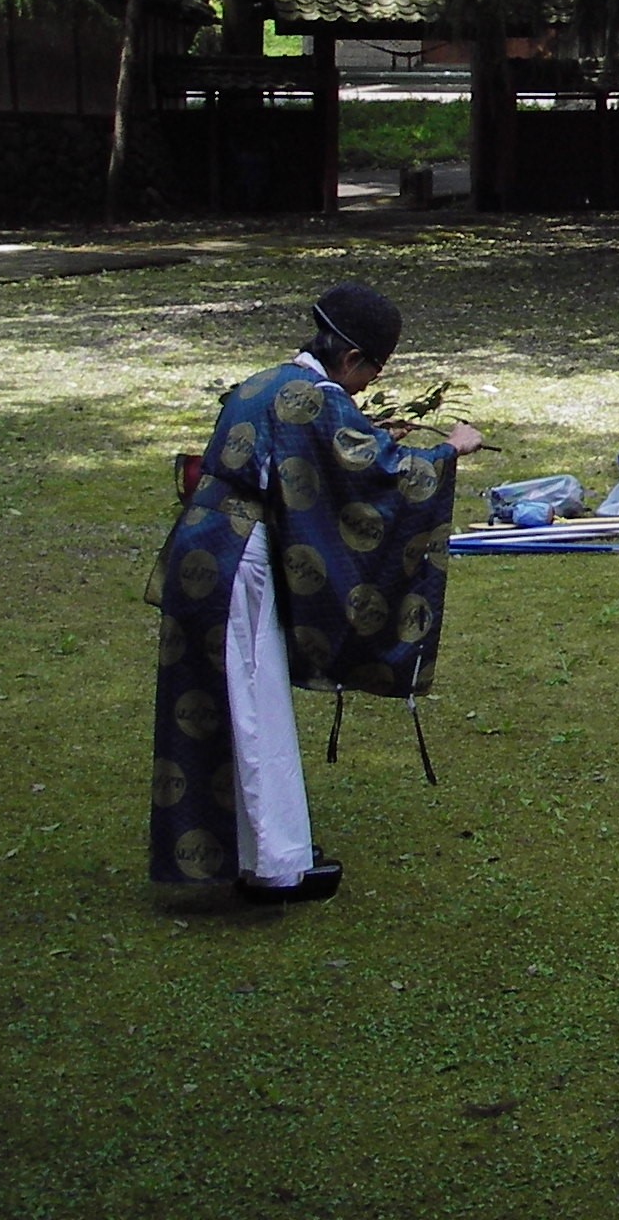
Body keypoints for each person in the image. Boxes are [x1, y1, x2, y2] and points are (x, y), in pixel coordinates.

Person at [147, 283, 481, 902]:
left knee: (216, 703)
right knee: (251, 704)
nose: (367, 383)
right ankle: (275, 869)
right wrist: (447, 451)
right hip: (236, 562)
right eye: (373, 369)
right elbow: (380, 475)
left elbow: (312, 454)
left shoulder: (267, 382)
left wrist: (363, 428)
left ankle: (246, 852)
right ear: (352, 358)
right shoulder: (320, 400)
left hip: (201, 546)